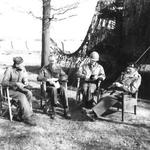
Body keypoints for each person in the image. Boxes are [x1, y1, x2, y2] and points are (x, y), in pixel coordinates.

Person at [2, 57, 36, 126]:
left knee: (28, 93)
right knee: (22, 96)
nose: (22, 65)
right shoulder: (9, 70)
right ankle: (27, 117)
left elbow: (24, 77)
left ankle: (22, 114)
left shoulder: (22, 69)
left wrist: (25, 81)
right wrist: (15, 84)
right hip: (9, 90)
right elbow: (4, 83)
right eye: (20, 64)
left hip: (18, 89)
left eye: (21, 64)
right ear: (16, 64)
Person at [37, 55, 71, 119]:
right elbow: (39, 77)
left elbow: (65, 76)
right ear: (48, 61)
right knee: (53, 89)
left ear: (55, 61)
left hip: (57, 84)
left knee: (63, 89)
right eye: (50, 61)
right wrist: (48, 80)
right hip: (48, 86)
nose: (52, 62)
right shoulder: (45, 68)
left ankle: (66, 111)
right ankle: (53, 111)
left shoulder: (58, 68)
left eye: (53, 61)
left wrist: (58, 79)